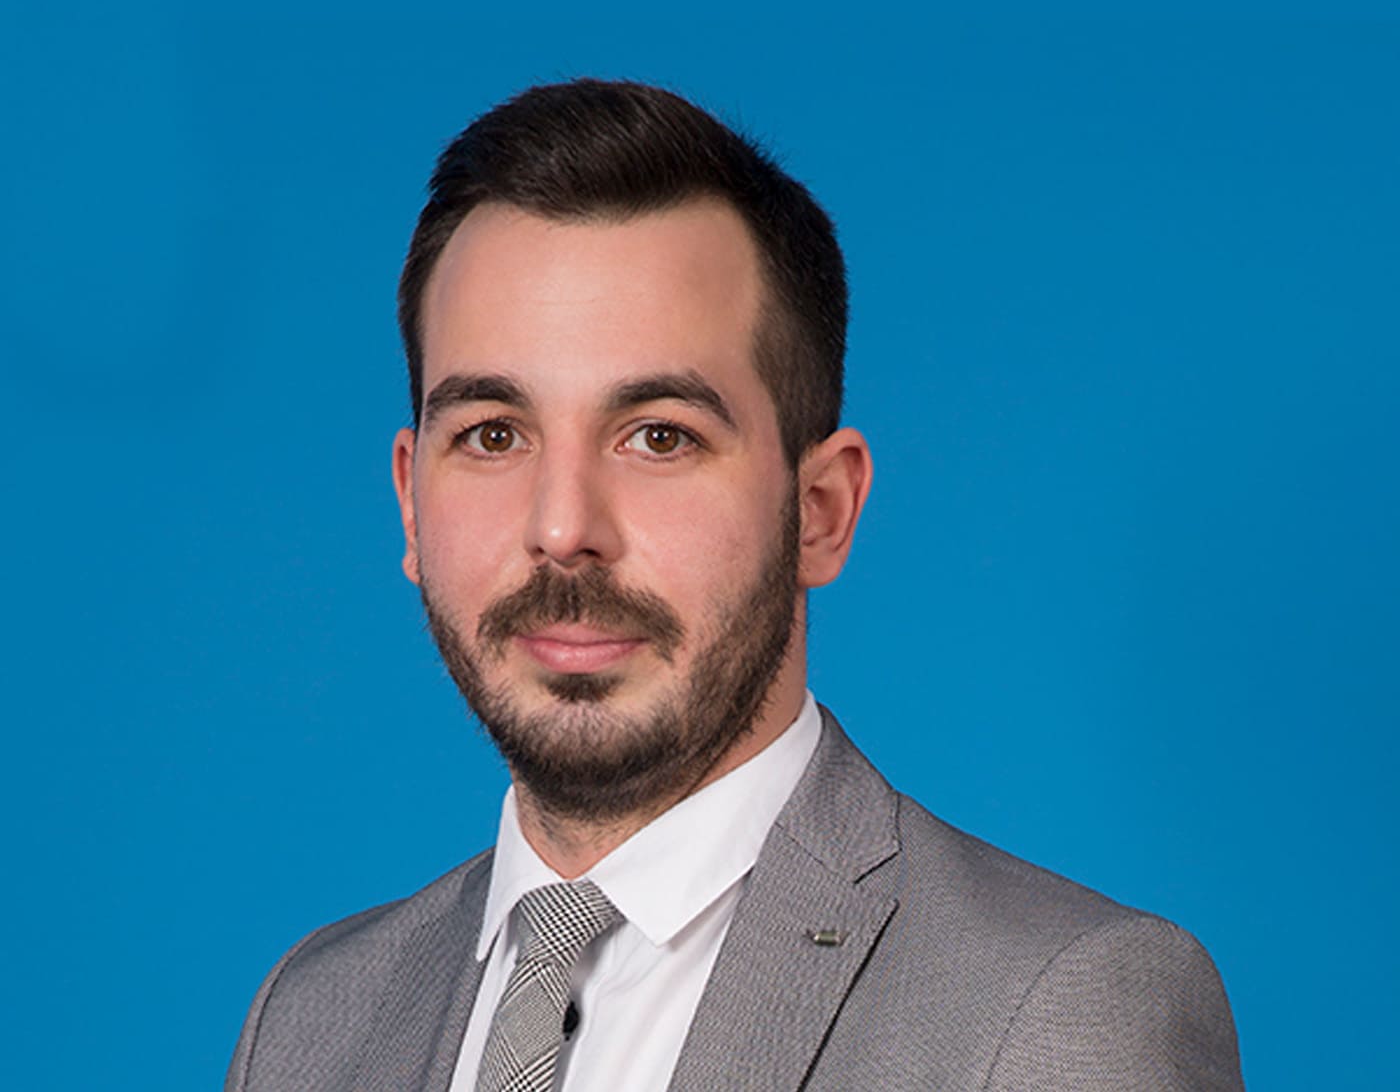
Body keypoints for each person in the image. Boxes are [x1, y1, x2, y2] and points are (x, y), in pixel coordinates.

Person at [225, 80, 1245, 1091]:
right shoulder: (311, 1018)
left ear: (820, 508)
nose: (561, 528)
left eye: (658, 435)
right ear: (410, 500)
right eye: (492, 434)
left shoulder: (1060, 1007)